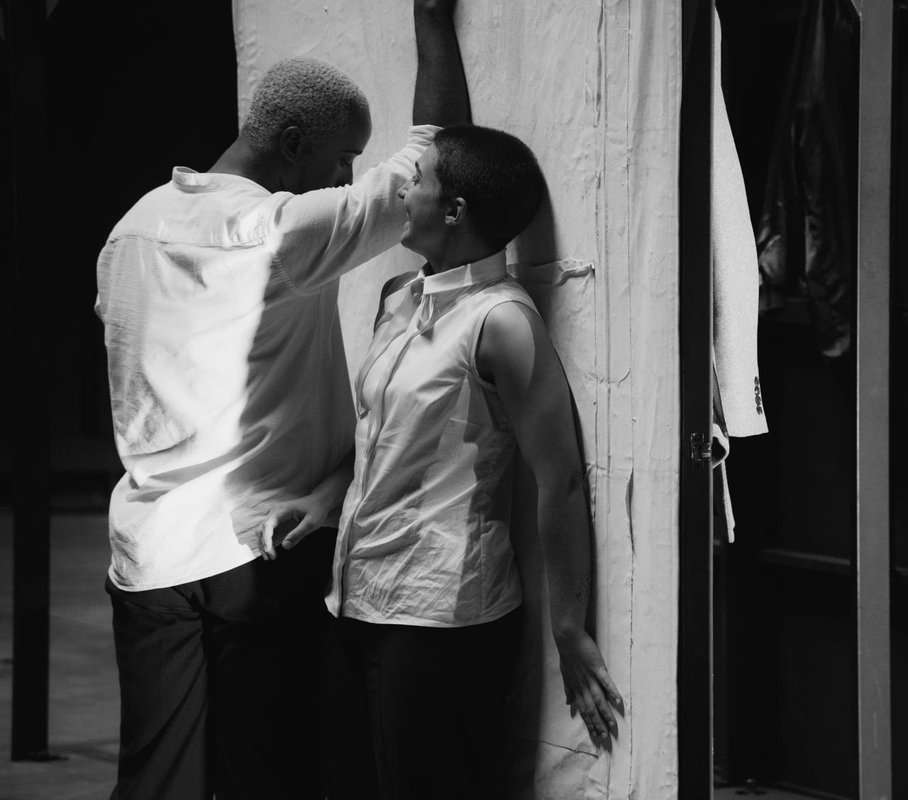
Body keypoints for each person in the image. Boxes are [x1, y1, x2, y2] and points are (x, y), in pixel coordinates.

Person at [93, 3, 468, 797]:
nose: (344, 179)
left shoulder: (129, 233)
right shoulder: (278, 234)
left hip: (150, 556)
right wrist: (432, 23)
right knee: (274, 775)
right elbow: (436, 162)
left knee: (158, 780)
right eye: (341, 160)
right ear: (294, 145)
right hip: (259, 554)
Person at [268, 124, 624, 799]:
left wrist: (570, 628)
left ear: (454, 210)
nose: (401, 187)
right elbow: (384, 432)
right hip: (355, 598)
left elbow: (562, 478)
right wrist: (323, 499)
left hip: (440, 620)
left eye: (419, 178)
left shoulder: (503, 322)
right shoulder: (399, 297)